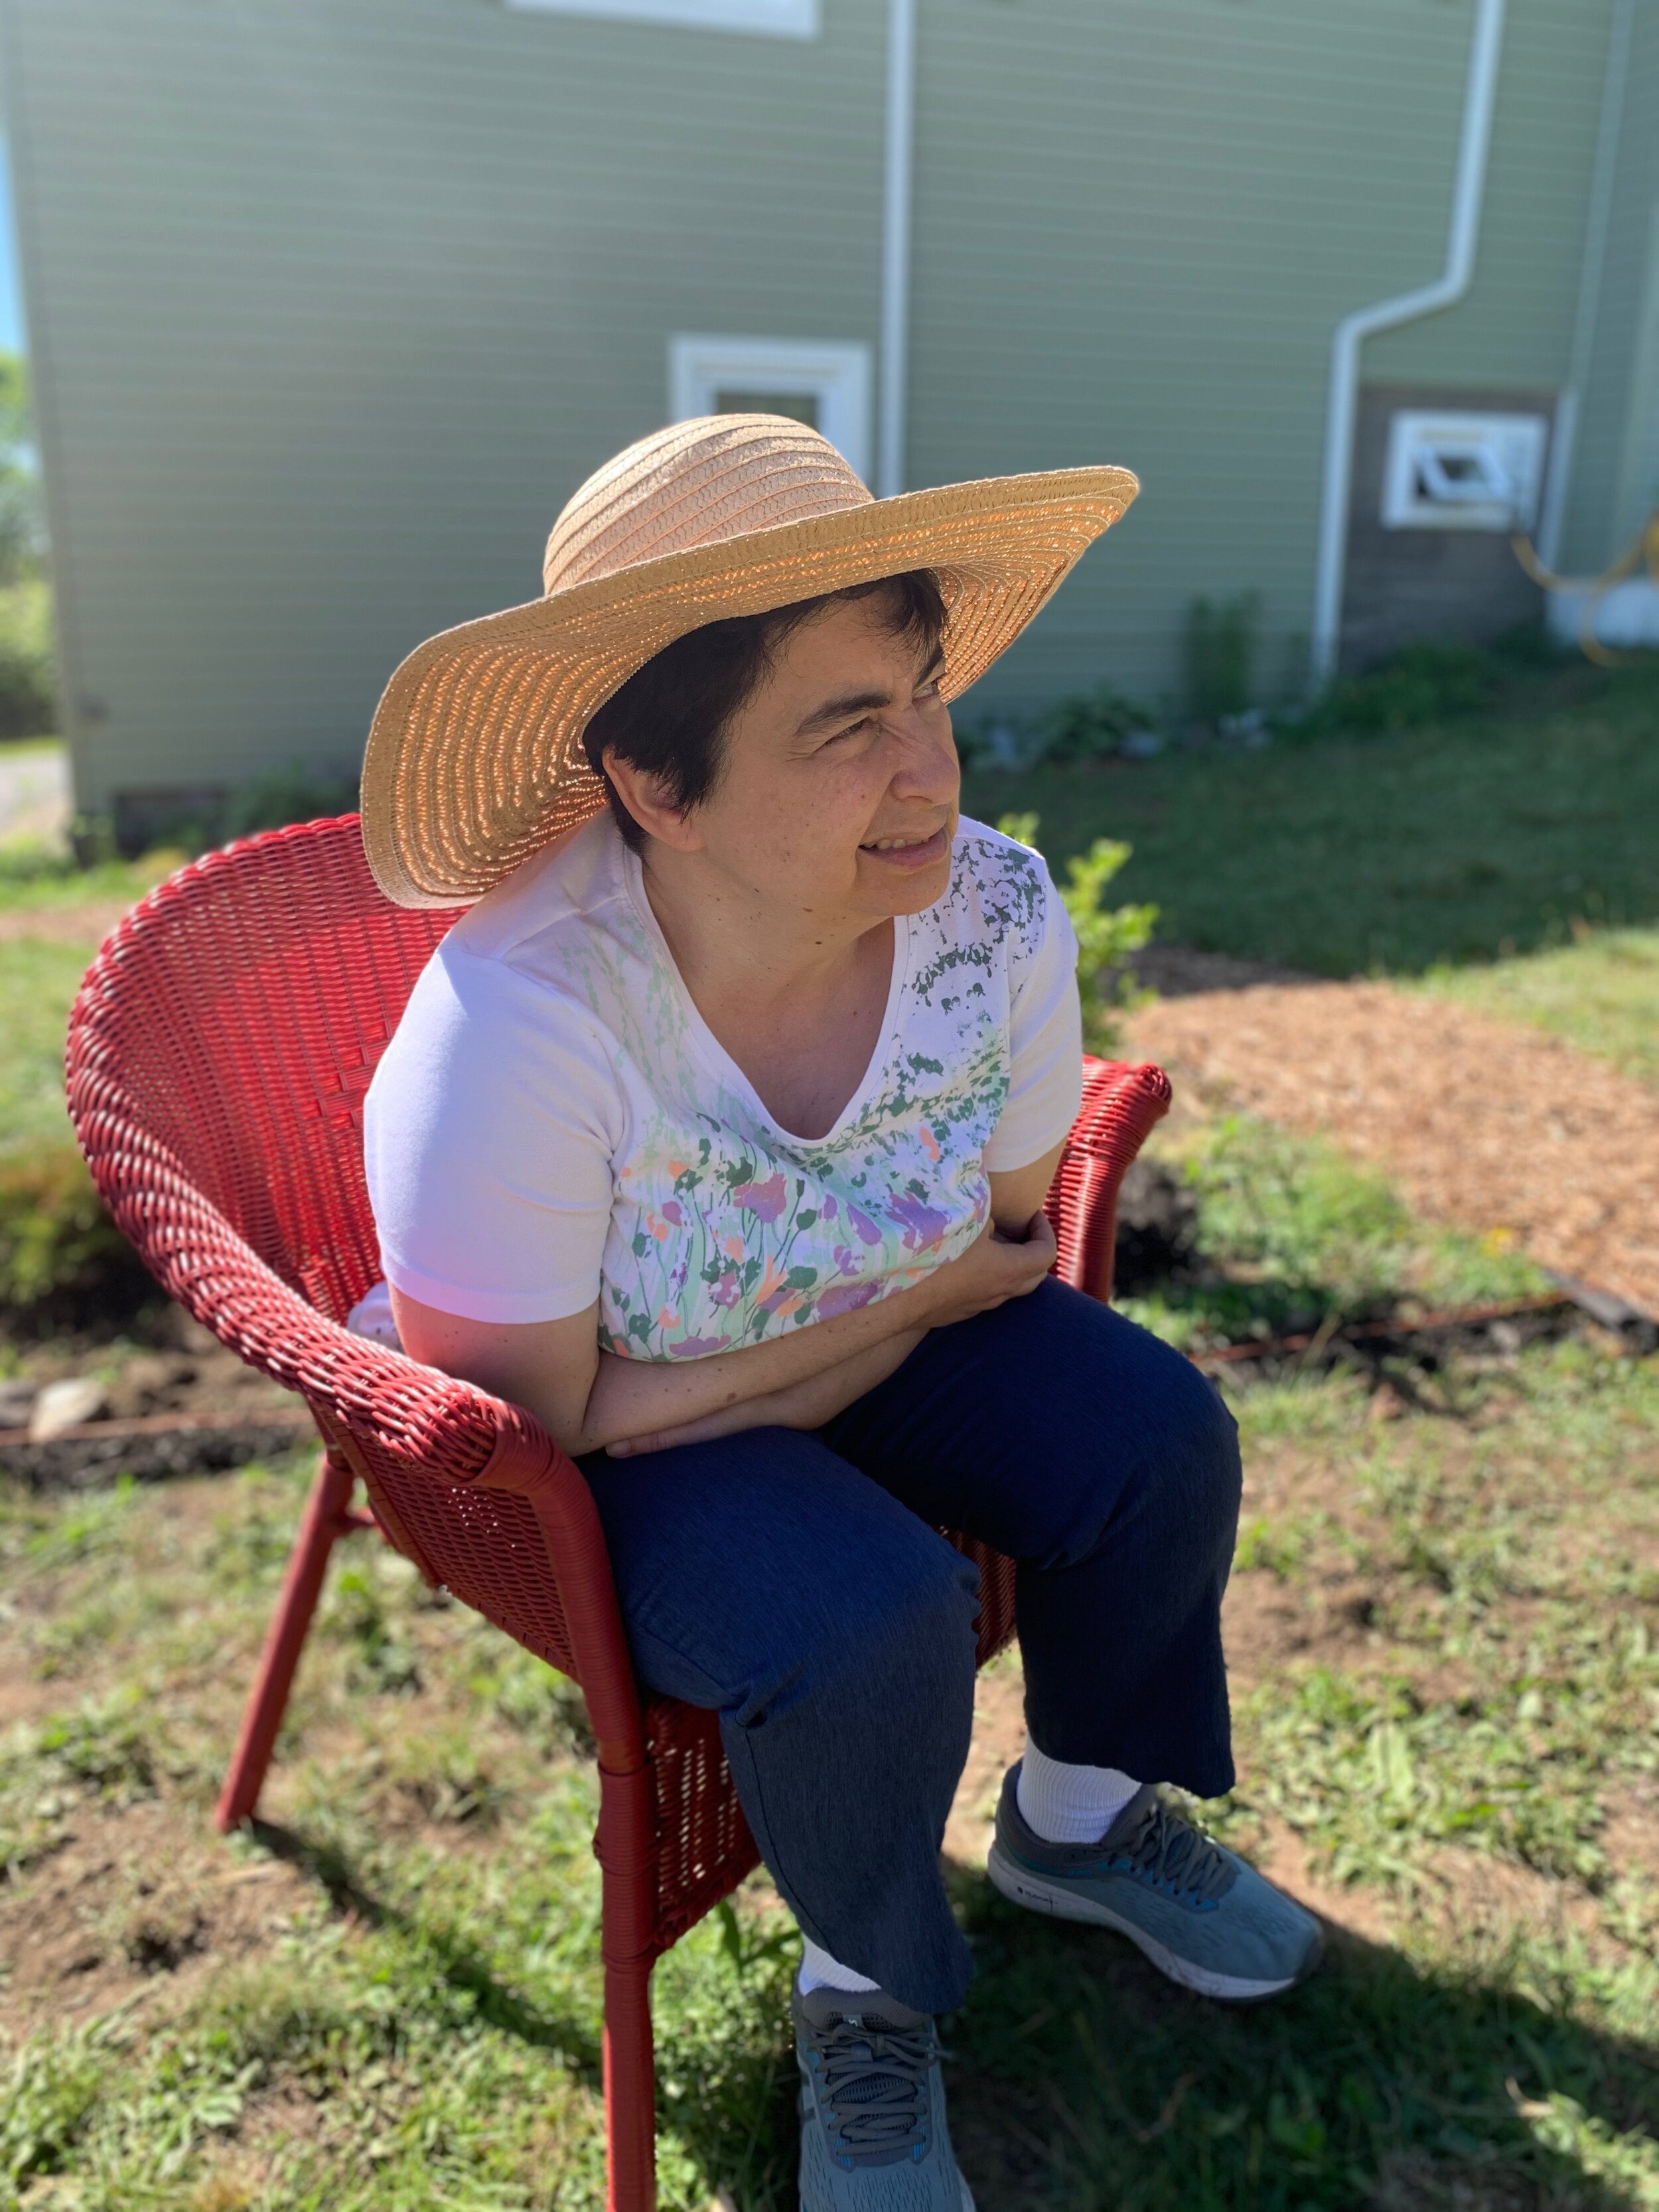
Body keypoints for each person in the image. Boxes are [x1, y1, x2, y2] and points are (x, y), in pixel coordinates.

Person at [356, 415, 1321, 2211]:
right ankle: (862, 1988)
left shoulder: (994, 918)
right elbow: (542, 1426)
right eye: (842, 725)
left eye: (924, 693)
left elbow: (1014, 1238)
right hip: (598, 1420)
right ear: (657, 783)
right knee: (869, 1608)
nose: (930, 776)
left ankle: (1081, 1816)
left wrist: (879, 1329)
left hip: (794, 1340)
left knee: (1155, 1437)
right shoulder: (523, 1029)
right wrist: (883, 1331)